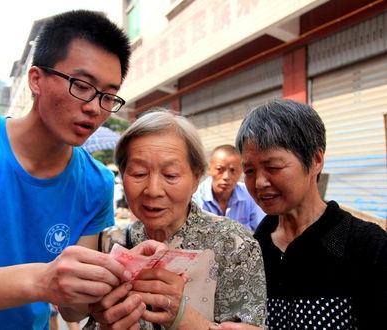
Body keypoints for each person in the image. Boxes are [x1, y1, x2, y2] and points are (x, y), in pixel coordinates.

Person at [0, 10, 164, 330]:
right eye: (82, 85)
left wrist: (116, 276)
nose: (94, 107)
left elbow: (72, 311)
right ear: (36, 79)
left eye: (108, 96)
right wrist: (43, 280)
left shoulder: (95, 182)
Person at [85, 109, 266, 329]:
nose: (153, 190)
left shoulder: (235, 244)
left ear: (196, 178)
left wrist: (183, 318)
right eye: (139, 174)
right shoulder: (112, 243)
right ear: (122, 176)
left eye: (170, 175)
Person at [235, 99, 387, 329]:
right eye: (249, 171)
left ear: (316, 160)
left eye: (273, 167)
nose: (259, 182)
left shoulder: (366, 246)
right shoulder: (251, 251)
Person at [193, 145, 265, 231]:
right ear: (209, 169)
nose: (226, 176)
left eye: (233, 170)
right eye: (220, 169)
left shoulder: (250, 195)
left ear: (241, 172)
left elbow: (262, 230)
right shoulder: (195, 200)